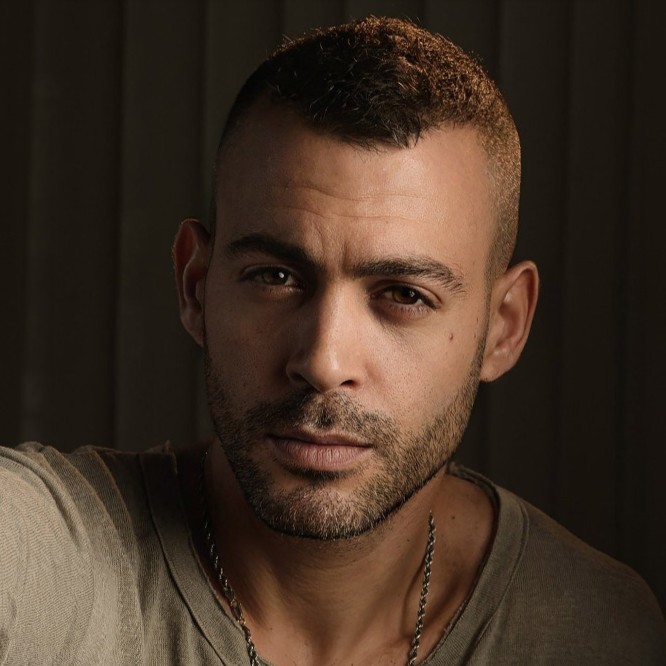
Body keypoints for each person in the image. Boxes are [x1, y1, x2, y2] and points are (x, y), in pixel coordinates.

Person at [1, 16, 663, 666]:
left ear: (504, 328)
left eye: (404, 294)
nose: (323, 361)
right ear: (196, 287)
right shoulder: (53, 560)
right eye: (275, 277)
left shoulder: (597, 633)